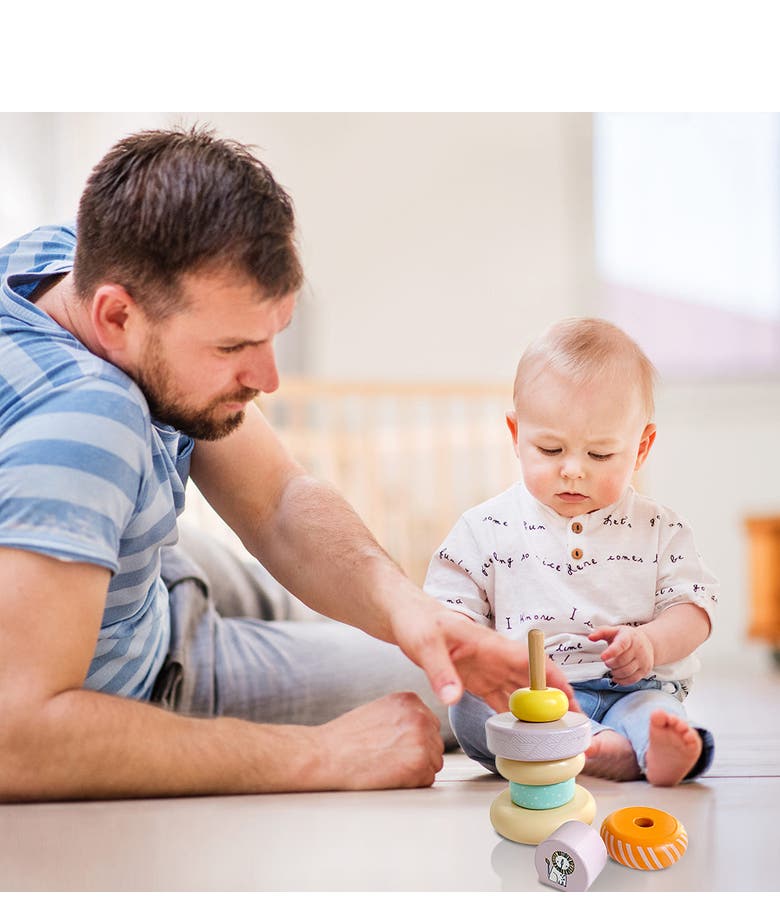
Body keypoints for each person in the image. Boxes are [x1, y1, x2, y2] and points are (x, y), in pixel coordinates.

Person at [0, 125, 574, 802]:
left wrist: (409, 610)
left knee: (431, 637)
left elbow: (274, 499)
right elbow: (16, 739)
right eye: (233, 346)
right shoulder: (84, 423)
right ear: (116, 316)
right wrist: (322, 756)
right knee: (449, 686)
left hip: (150, 566)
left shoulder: (56, 258)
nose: (268, 378)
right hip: (149, 672)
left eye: (273, 337)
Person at [424, 317, 719, 786]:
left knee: (657, 712)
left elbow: (694, 610)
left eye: (600, 455)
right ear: (515, 435)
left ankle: (640, 744)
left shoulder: (660, 528)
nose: (573, 471)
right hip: (527, 694)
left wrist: (651, 643)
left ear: (641, 448)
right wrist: (483, 654)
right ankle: (602, 748)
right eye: (550, 448)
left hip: (632, 688)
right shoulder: (483, 529)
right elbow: (446, 612)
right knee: (472, 707)